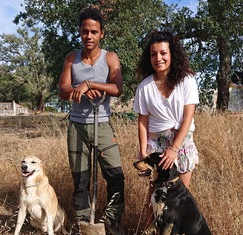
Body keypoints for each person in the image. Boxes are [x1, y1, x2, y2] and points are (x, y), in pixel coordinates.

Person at [58, 5, 125, 234]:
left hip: (103, 124)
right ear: (79, 32)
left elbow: (117, 88)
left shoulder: (110, 58)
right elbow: (62, 90)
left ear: (101, 33)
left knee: (116, 177)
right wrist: (80, 89)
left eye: (94, 32)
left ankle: (112, 224)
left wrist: (92, 84)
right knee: (81, 182)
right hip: (77, 126)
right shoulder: (71, 59)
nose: (89, 36)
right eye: (85, 31)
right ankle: (84, 224)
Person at [133, 30, 200, 228]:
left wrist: (174, 149)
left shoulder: (187, 80)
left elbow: (188, 117)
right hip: (157, 146)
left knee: (179, 200)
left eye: (163, 53)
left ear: (172, 54)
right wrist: (144, 150)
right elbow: (142, 121)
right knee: (154, 199)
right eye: (153, 54)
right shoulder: (144, 87)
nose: (158, 58)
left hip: (181, 144)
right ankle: (148, 231)